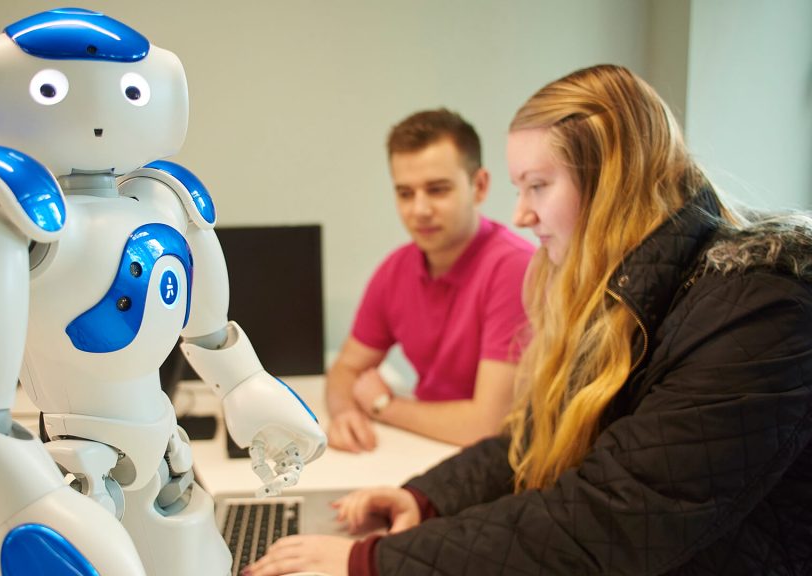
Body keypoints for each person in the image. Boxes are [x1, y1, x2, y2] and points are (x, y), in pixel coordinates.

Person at [247, 64, 812, 575]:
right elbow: (537, 434)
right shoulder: (634, 293)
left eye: (539, 186)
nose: (521, 214)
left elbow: (612, 519)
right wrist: (427, 498)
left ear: (614, 182)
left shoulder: (757, 314)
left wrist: (373, 561)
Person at [326, 109, 535, 452]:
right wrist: (345, 412)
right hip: (428, 449)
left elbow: (487, 425)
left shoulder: (516, 269)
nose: (419, 209)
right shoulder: (396, 269)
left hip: (497, 466)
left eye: (437, 190)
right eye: (405, 193)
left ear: (479, 186)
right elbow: (345, 370)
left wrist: (385, 406)